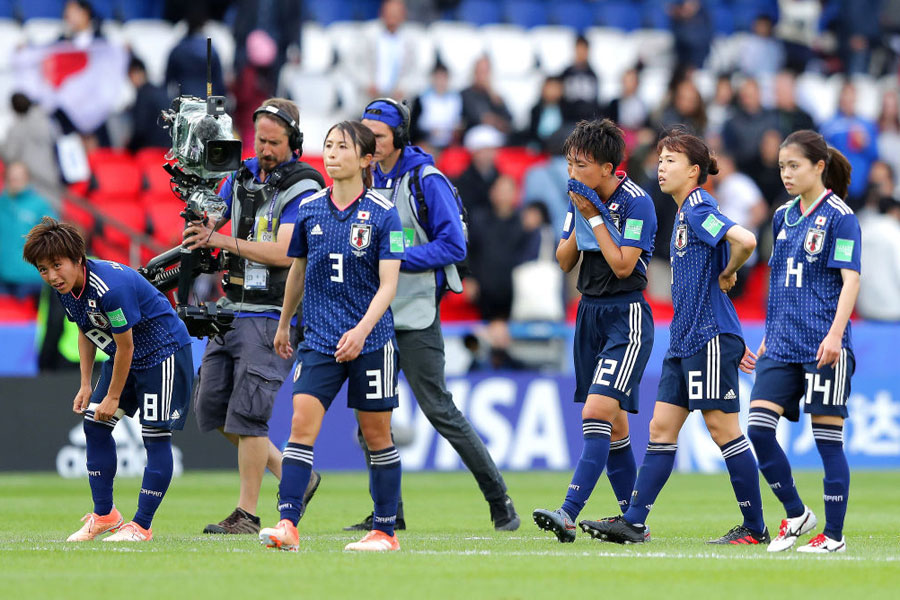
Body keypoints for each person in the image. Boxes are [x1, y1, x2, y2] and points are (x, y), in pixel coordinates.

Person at [580, 128, 767, 545]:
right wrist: (725, 268)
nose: (661, 168)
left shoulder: (699, 207)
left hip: (707, 337)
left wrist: (729, 270)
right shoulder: (684, 212)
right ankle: (633, 521)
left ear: (694, 170)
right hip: (685, 339)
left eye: (671, 161)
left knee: (723, 430)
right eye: (660, 160)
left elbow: (747, 239)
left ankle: (755, 528)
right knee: (661, 428)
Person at [351, 98, 520, 531]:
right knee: (370, 418)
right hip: (375, 316)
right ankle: (389, 512)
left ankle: (500, 501)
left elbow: (454, 247)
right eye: (366, 135)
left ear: (399, 138)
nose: (370, 143)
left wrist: (394, 257)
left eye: (379, 137)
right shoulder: (366, 177)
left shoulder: (427, 179)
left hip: (415, 314)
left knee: (440, 410)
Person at [258, 121, 405, 552]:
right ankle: (288, 525)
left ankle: (384, 531)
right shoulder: (309, 209)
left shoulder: (383, 213)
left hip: (372, 340)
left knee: (377, 436)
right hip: (319, 338)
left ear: (365, 159)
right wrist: (285, 323)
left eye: (342, 147)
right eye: (328, 146)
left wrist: (361, 331)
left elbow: (389, 285)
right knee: (300, 425)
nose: (332, 153)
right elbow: (297, 271)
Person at [182, 98, 325, 535]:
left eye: (274, 142)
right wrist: (197, 204)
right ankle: (293, 476)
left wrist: (220, 241)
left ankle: (247, 513)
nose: (264, 148)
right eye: (260, 139)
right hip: (231, 308)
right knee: (213, 409)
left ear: (294, 142)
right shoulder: (240, 175)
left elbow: (284, 253)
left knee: (248, 417)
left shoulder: (304, 185)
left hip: (271, 313)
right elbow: (214, 216)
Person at [23, 217, 194, 542]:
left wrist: (113, 397)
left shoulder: (110, 289)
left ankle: (141, 526)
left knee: (155, 436)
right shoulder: (65, 288)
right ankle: (105, 516)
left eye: (57, 266)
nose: (51, 276)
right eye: (43, 269)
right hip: (125, 356)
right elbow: (85, 330)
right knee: (94, 425)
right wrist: (86, 384)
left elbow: (126, 345)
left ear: (77, 259)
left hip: (163, 353)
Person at [532, 119, 657, 543]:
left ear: (607, 167)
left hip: (627, 317)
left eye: (581, 164)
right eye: (569, 162)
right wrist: (579, 216)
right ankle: (631, 521)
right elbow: (565, 260)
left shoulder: (638, 203)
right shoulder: (578, 199)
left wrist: (596, 218)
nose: (572, 171)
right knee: (615, 425)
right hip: (588, 315)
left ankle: (568, 512)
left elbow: (624, 265)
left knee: (595, 412)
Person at [747, 130, 861, 553]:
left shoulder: (840, 217)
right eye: (781, 167)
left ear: (818, 167)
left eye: (793, 165)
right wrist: (766, 336)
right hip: (779, 346)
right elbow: (779, 282)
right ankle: (796, 513)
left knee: (827, 440)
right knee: (758, 429)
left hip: (822, 346)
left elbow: (851, 280)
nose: (786, 174)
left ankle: (833, 535)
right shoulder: (781, 216)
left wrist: (836, 335)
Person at [0, 163, 57, 299]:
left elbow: (54, 236)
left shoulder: (39, 205)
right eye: (11, 178)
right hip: (3, 276)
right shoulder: (2, 202)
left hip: (29, 278)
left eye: (18, 178)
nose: (14, 181)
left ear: (27, 179)